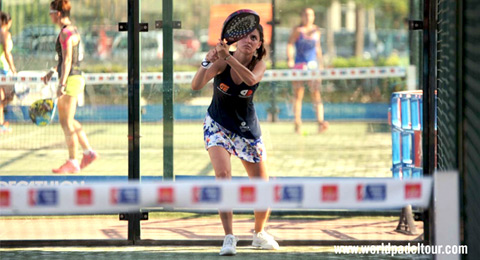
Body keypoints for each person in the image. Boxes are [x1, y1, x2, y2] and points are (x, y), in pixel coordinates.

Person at [191, 23, 280, 256]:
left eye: (254, 38)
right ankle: (229, 237)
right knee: (223, 176)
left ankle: (259, 234)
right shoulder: (221, 61)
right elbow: (196, 85)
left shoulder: (259, 65)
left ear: (259, 44)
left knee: (262, 187)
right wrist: (207, 61)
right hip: (217, 124)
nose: (248, 41)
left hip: (246, 130)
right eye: (244, 37)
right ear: (236, 40)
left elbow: (250, 80)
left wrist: (227, 59)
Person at [44, 0, 97, 173]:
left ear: (58, 14)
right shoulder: (73, 30)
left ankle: (73, 161)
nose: (50, 15)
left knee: (66, 122)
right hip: (75, 77)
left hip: (71, 79)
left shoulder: (65, 34)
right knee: (69, 120)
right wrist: (53, 71)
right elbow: (67, 59)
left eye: (51, 12)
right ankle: (88, 152)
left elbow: (67, 61)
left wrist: (62, 83)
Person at [287, 7, 328, 134]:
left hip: (313, 66)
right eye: (306, 15)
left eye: (311, 15)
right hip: (299, 65)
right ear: (302, 16)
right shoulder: (298, 30)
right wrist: (290, 59)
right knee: (298, 95)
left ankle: (321, 122)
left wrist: (321, 64)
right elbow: (289, 44)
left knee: (316, 94)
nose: (308, 17)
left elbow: (318, 48)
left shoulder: (316, 30)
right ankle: (297, 123)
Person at [0, 11, 17, 135]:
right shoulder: (4, 34)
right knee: (5, 96)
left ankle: (1, 123)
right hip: (2, 69)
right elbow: (7, 53)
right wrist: (13, 69)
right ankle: (1, 124)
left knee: (6, 97)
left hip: (4, 69)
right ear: (8, 22)